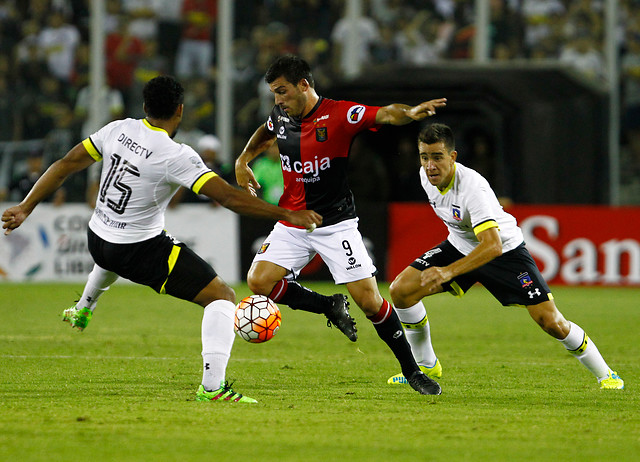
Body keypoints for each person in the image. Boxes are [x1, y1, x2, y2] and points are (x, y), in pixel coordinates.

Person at [1, 75, 321, 404]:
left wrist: (26, 206)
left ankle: (83, 308)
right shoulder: (175, 154)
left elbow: (65, 165)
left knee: (126, 246)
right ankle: (213, 388)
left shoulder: (118, 129)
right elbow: (228, 197)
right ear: (180, 111)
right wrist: (287, 214)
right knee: (222, 297)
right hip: (136, 250)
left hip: (97, 236)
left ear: (144, 107)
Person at [235, 55, 447, 395]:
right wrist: (244, 158)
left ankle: (413, 371)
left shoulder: (339, 114)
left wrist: (407, 113)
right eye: (274, 93)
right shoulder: (282, 114)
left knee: (369, 302)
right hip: (292, 221)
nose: (277, 100)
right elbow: (266, 131)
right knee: (259, 280)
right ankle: (328, 306)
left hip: (335, 224)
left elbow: (384, 113)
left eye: (282, 91)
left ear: (304, 85)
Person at [386, 123, 624, 390]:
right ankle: (425, 365)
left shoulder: (473, 188)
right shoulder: (425, 176)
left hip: (505, 253)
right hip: (460, 246)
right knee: (401, 291)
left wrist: (448, 271)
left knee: (551, 322)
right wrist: (450, 265)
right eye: (424, 157)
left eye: (437, 157)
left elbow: (493, 246)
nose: (430, 165)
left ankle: (607, 375)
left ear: (453, 157)